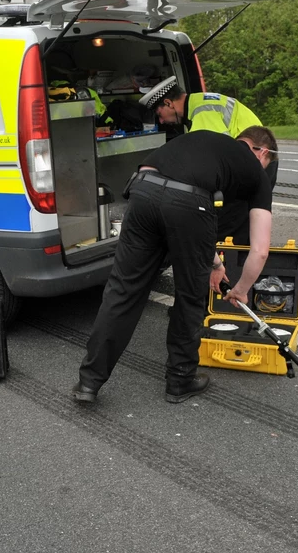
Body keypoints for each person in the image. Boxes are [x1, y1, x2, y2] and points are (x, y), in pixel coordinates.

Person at [72, 122, 275, 405]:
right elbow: (261, 251)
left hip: (142, 191)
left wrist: (215, 266)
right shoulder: (256, 171)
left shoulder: (206, 141)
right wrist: (240, 290)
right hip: (189, 201)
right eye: (266, 163)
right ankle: (180, 379)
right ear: (262, 152)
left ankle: (89, 382)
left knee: (123, 291)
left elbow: (188, 218)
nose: (264, 169)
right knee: (190, 296)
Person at [152, 76, 263, 141]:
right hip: (260, 150)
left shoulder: (202, 112)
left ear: (168, 103)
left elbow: (218, 152)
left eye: (159, 115)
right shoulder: (200, 100)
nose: (161, 121)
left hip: (255, 156)